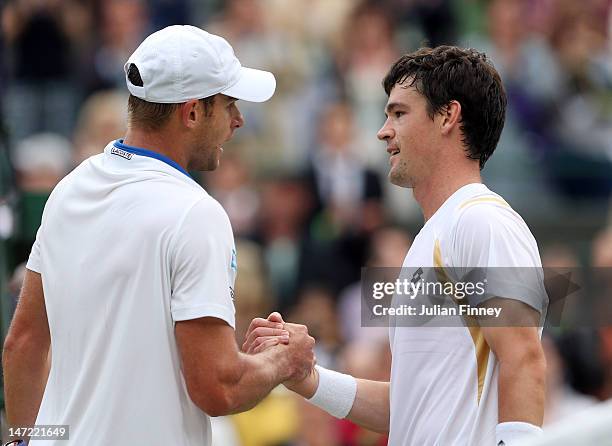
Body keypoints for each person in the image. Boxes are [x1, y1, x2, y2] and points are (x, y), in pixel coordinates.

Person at [2, 25, 315, 446]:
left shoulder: (69, 190)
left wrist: (22, 441)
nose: (238, 120)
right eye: (228, 105)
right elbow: (218, 388)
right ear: (191, 113)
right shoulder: (196, 214)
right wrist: (284, 359)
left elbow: (22, 343)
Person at [245, 46, 547, 445]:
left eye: (399, 113)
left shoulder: (482, 221)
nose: (383, 130)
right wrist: (308, 377)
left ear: (447, 116)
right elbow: (406, 407)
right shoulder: (435, 236)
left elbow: (524, 358)